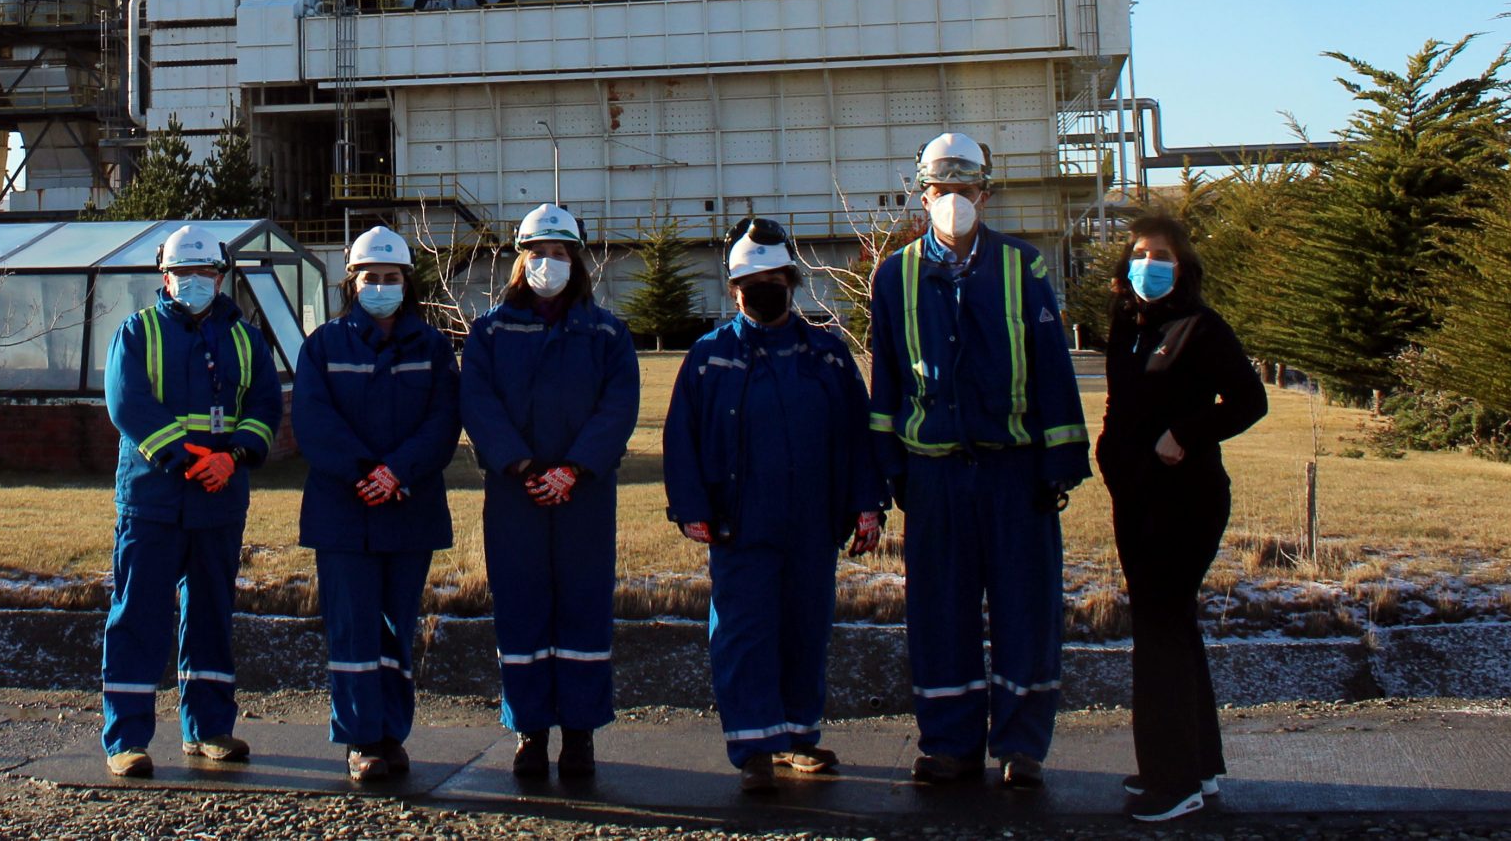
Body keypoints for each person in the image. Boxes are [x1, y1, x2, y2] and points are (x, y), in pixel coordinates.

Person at [867, 132, 1090, 791]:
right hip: (936, 473)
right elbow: (886, 381)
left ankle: (1023, 746)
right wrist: (890, 465)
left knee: (1028, 607)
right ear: (924, 194)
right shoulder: (895, 273)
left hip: (1013, 472)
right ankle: (949, 744)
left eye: (966, 189)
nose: (954, 201)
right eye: (943, 190)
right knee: (940, 612)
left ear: (985, 193)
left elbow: (1053, 370)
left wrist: (1061, 460)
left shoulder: (1026, 269)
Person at [662, 218, 884, 796]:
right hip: (741, 523)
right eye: (750, 280)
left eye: (773, 278)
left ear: (792, 281)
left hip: (813, 522)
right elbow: (681, 438)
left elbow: (860, 437)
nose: (763, 288)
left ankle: (797, 738)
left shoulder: (829, 356)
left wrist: (868, 505)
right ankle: (755, 746)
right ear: (734, 289)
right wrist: (689, 505)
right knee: (743, 632)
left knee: (804, 631)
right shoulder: (710, 358)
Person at [459, 203, 640, 782]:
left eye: (559, 253)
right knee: (521, 610)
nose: (547, 263)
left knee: (583, 608)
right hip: (516, 495)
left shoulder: (608, 333)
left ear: (577, 261)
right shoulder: (489, 332)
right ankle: (529, 732)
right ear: (519, 260)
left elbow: (618, 409)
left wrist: (575, 469)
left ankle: (580, 736)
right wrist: (523, 465)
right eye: (537, 253)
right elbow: (479, 406)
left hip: (583, 495)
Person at [1098, 210, 1268, 824]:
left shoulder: (1202, 327)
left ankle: (1174, 783)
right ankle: (1194, 764)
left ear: (1184, 265)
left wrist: (1186, 435)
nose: (1149, 263)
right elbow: (1123, 402)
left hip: (1186, 497)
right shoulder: (1128, 324)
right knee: (1169, 624)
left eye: (1162, 255)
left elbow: (1251, 401)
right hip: (1136, 496)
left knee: (1162, 630)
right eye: (1140, 253)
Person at [99, 223, 285, 778]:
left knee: (210, 614)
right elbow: (127, 405)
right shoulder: (137, 333)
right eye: (183, 272)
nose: (194, 281)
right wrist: (188, 458)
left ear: (221, 275)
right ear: (165, 275)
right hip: (152, 497)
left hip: (220, 498)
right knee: (138, 615)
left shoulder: (247, 338)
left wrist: (233, 457)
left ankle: (209, 728)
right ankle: (126, 739)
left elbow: (265, 406)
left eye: (204, 271)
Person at [291, 224, 462, 784]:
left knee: (397, 628)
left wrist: (397, 473)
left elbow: (442, 422)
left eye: (391, 278)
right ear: (352, 282)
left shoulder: (433, 348)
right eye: (371, 277)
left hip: (407, 508)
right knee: (351, 629)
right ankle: (361, 739)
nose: (381, 286)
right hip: (345, 511)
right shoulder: (323, 345)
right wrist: (368, 472)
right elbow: (314, 424)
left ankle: (392, 733)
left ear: (407, 283)